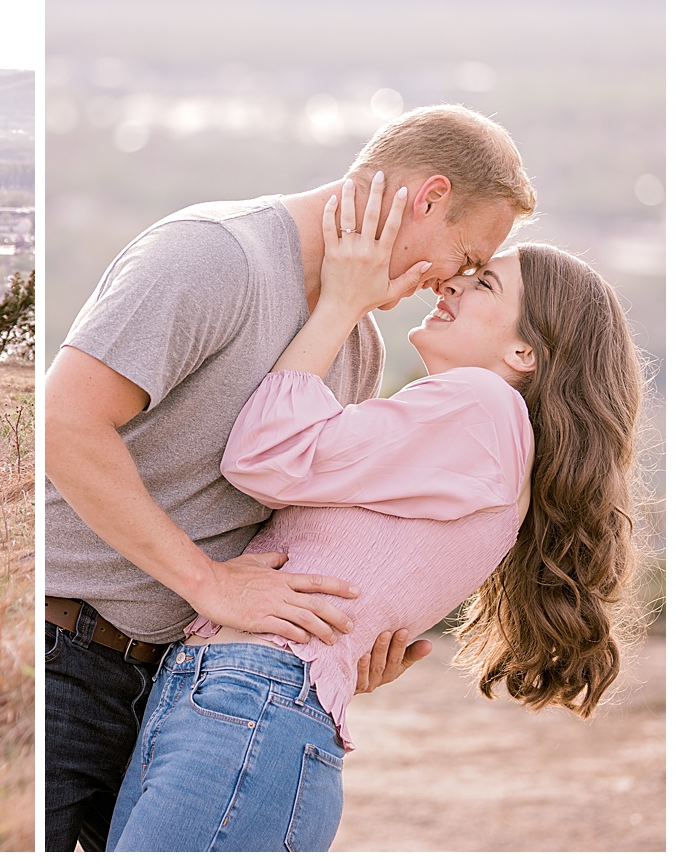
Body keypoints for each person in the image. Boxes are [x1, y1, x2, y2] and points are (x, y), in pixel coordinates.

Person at [41, 105, 535, 851]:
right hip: (59, 660)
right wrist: (207, 581)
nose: (450, 283)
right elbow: (63, 424)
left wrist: (344, 640)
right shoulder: (213, 256)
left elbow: (312, 513)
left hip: (182, 686)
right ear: (428, 198)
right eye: (464, 257)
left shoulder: (354, 344)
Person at [104, 180, 642, 851]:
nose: (450, 288)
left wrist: (339, 305)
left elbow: (264, 454)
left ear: (523, 355)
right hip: (241, 700)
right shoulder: (485, 432)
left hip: (250, 702)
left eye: (483, 287)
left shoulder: (479, 405)